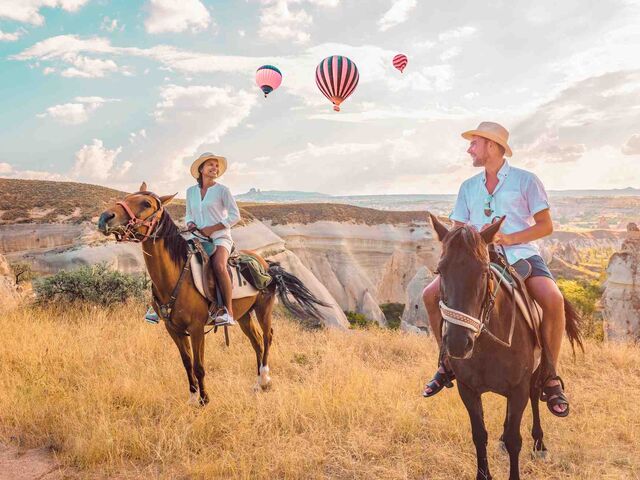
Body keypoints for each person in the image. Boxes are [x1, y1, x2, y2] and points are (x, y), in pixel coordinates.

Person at [422, 122, 570, 417]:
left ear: (491, 145)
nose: (469, 149)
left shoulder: (526, 180)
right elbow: (457, 230)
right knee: (429, 295)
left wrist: (510, 237)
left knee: (553, 299)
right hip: (477, 261)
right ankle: (447, 362)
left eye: (474, 144)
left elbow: (546, 226)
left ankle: (550, 375)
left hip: (520, 255)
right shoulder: (468, 187)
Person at [185, 152, 241, 326]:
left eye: (216, 166)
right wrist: (190, 224)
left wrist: (213, 228)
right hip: (197, 237)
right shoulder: (190, 192)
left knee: (218, 265)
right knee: (174, 259)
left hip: (220, 237)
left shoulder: (223, 190)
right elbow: (188, 214)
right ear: (201, 169)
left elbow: (235, 216)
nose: (215, 168)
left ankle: (228, 312)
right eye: (211, 164)